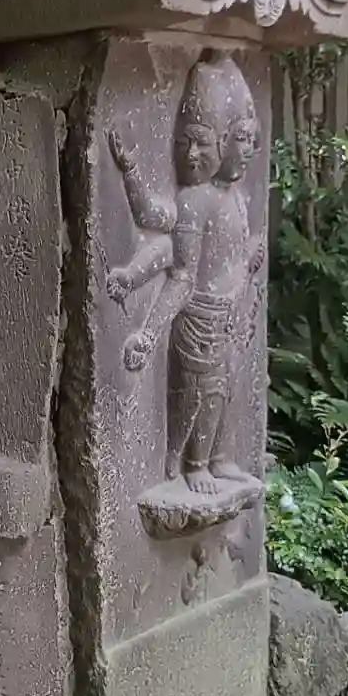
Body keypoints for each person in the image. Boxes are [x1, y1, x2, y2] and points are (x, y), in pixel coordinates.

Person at [106, 51, 263, 494]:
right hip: (200, 318)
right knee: (198, 391)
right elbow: (177, 263)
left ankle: (217, 458)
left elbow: (227, 257)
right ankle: (189, 463)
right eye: (184, 143)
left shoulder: (234, 198)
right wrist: (131, 170)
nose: (191, 154)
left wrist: (247, 266)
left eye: (203, 144)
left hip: (228, 316)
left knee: (224, 390)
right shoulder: (195, 201)